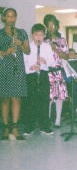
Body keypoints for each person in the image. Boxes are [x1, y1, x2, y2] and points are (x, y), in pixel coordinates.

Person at [0, 8, 30, 140]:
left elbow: (28, 51)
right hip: (4, 68)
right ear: (3, 18)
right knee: (5, 98)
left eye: (13, 16)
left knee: (16, 98)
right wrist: (6, 52)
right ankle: (6, 127)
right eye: (8, 16)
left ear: (16, 18)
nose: (11, 19)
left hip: (18, 69)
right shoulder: (0, 34)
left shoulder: (22, 33)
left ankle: (15, 127)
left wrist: (20, 45)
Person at [23, 24, 55, 135]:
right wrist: (30, 68)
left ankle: (44, 126)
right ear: (32, 35)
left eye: (41, 35)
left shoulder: (47, 47)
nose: (38, 37)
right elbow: (24, 63)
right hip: (31, 76)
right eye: (36, 35)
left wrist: (45, 61)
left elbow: (52, 62)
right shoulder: (28, 47)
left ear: (44, 35)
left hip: (43, 75)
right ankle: (29, 126)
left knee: (44, 101)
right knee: (30, 101)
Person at [44, 16, 69, 128]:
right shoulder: (44, 40)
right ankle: (47, 120)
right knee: (48, 96)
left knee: (59, 96)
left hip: (58, 72)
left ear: (57, 26)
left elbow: (66, 56)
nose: (51, 28)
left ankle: (58, 119)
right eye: (48, 25)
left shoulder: (62, 40)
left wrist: (55, 49)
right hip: (47, 72)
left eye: (53, 25)